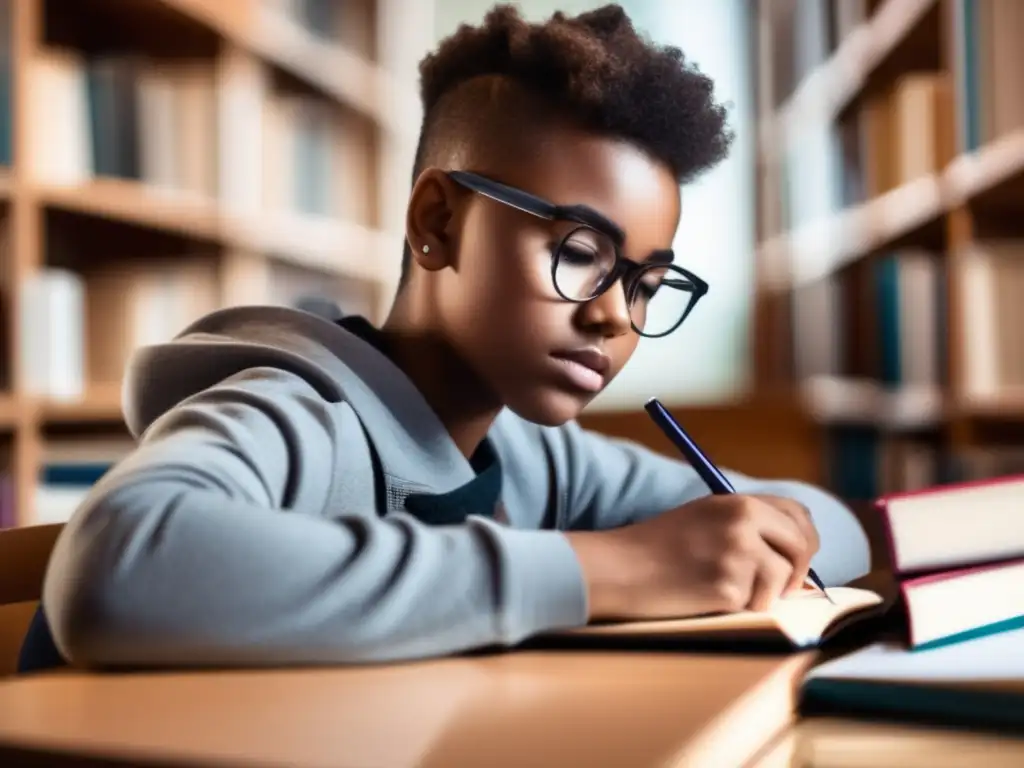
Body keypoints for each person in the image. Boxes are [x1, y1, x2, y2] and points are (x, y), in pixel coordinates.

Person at [28, 4, 869, 671]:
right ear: (437, 223)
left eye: (647, 284)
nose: (617, 316)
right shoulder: (296, 419)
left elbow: (831, 525)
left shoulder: (541, 458)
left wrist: (731, 545)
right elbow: (113, 567)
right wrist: (607, 572)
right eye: (580, 254)